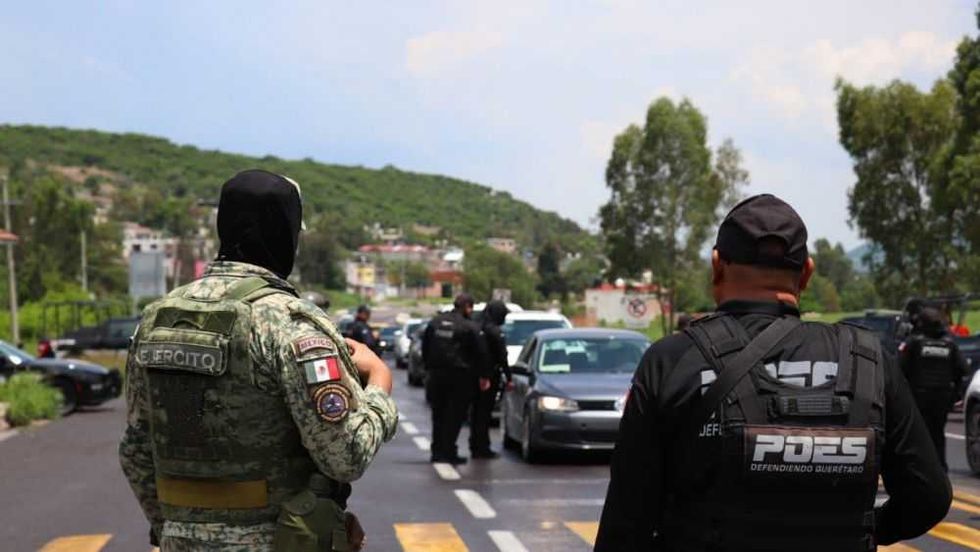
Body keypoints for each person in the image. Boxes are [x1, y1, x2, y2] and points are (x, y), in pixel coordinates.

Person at [595, 194, 951, 551]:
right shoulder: (869, 359)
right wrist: (866, 531)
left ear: (717, 266)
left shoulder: (670, 360)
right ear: (807, 274)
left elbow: (626, 523)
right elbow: (929, 495)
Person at [119, 169, 398, 552]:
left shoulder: (156, 318)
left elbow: (135, 451)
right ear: (286, 232)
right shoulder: (289, 322)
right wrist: (380, 383)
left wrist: (175, 529)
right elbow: (345, 456)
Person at [900, 306, 968, 470]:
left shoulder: (914, 343)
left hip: (918, 395)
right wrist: (955, 393)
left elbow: (901, 369)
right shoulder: (949, 344)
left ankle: (920, 466)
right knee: (938, 432)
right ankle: (940, 467)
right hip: (942, 396)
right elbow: (963, 369)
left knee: (918, 433)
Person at [422, 293, 485, 464]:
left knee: (438, 414)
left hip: (436, 375)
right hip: (460, 378)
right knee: (455, 416)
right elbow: (480, 353)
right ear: (467, 307)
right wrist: (483, 375)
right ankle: (449, 451)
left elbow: (425, 346)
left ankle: (437, 452)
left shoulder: (435, 322)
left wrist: (428, 368)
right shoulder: (468, 326)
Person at [469, 299, 510, 459]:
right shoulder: (492, 331)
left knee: (476, 414)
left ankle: (476, 445)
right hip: (488, 378)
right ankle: (481, 447)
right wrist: (509, 376)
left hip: (472, 376)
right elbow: (501, 356)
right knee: (483, 414)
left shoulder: (475, 326)